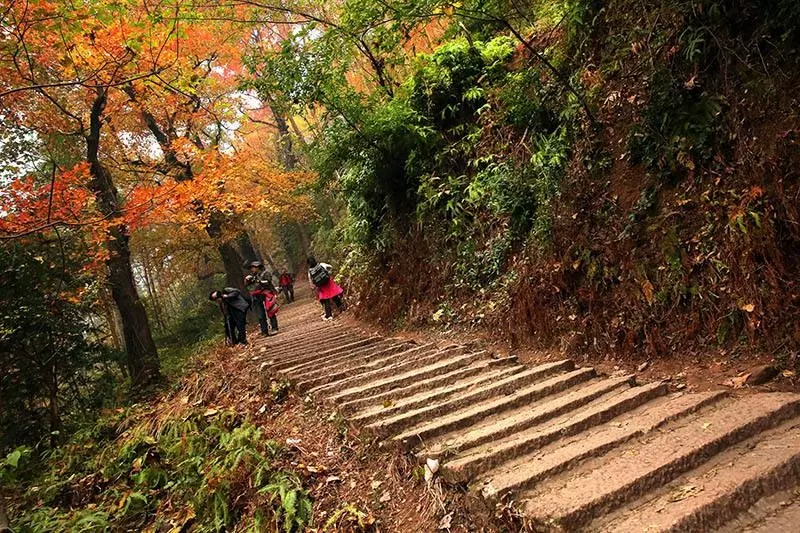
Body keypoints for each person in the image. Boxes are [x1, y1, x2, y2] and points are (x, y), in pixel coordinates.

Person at [307, 256, 345, 321]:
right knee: (334, 296)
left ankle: (329, 315)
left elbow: (311, 281)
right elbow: (330, 267)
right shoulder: (321, 265)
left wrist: (314, 287)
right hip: (328, 283)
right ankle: (341, 308)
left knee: (326, 300)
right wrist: (328, 272)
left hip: (321, 287)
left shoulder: (310, 271)